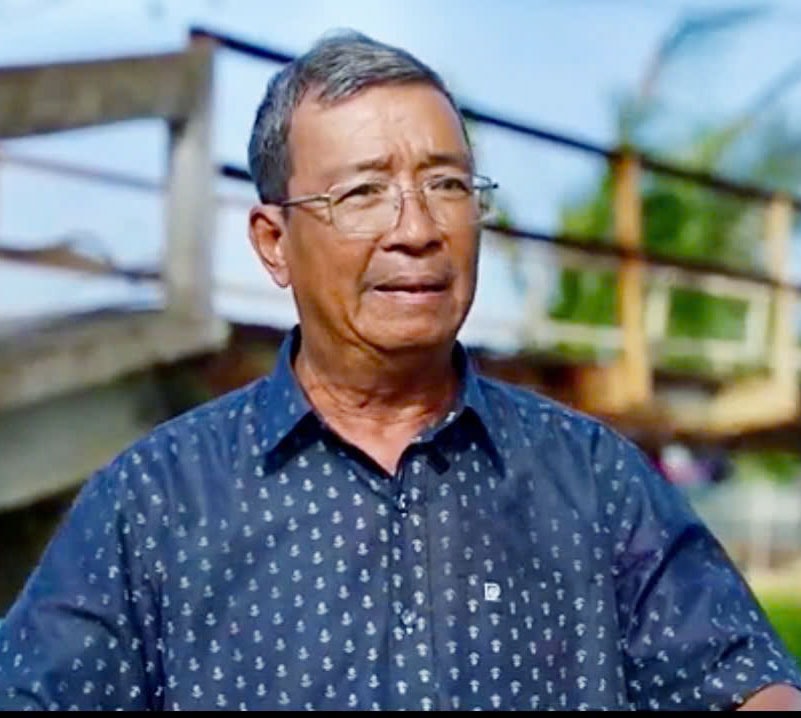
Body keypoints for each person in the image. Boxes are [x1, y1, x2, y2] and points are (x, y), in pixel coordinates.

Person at [1, 31, 799, 712]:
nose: (415, 228)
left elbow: (741, 684)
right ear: (274, 243)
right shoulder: (155, 501)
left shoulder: (594, 481)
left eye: (446, 184)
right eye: (362, 192)